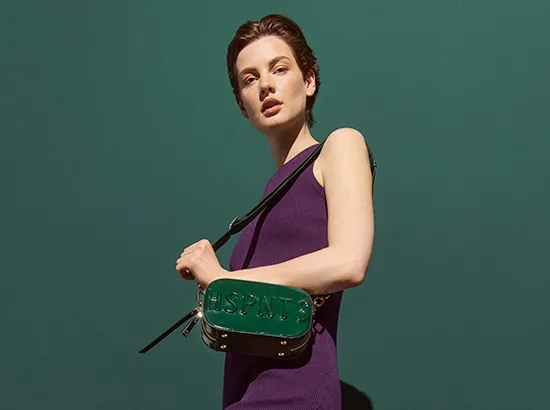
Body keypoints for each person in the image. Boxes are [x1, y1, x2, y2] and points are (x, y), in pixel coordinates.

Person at [175, 14, 375, 410]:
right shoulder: (258, 211)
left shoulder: (339, 146)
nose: (265, 84)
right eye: (249, 79)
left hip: (296, 395)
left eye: (279, 69)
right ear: (242, 106)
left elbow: (349, 262)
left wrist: (224, 281)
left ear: (309, 80)